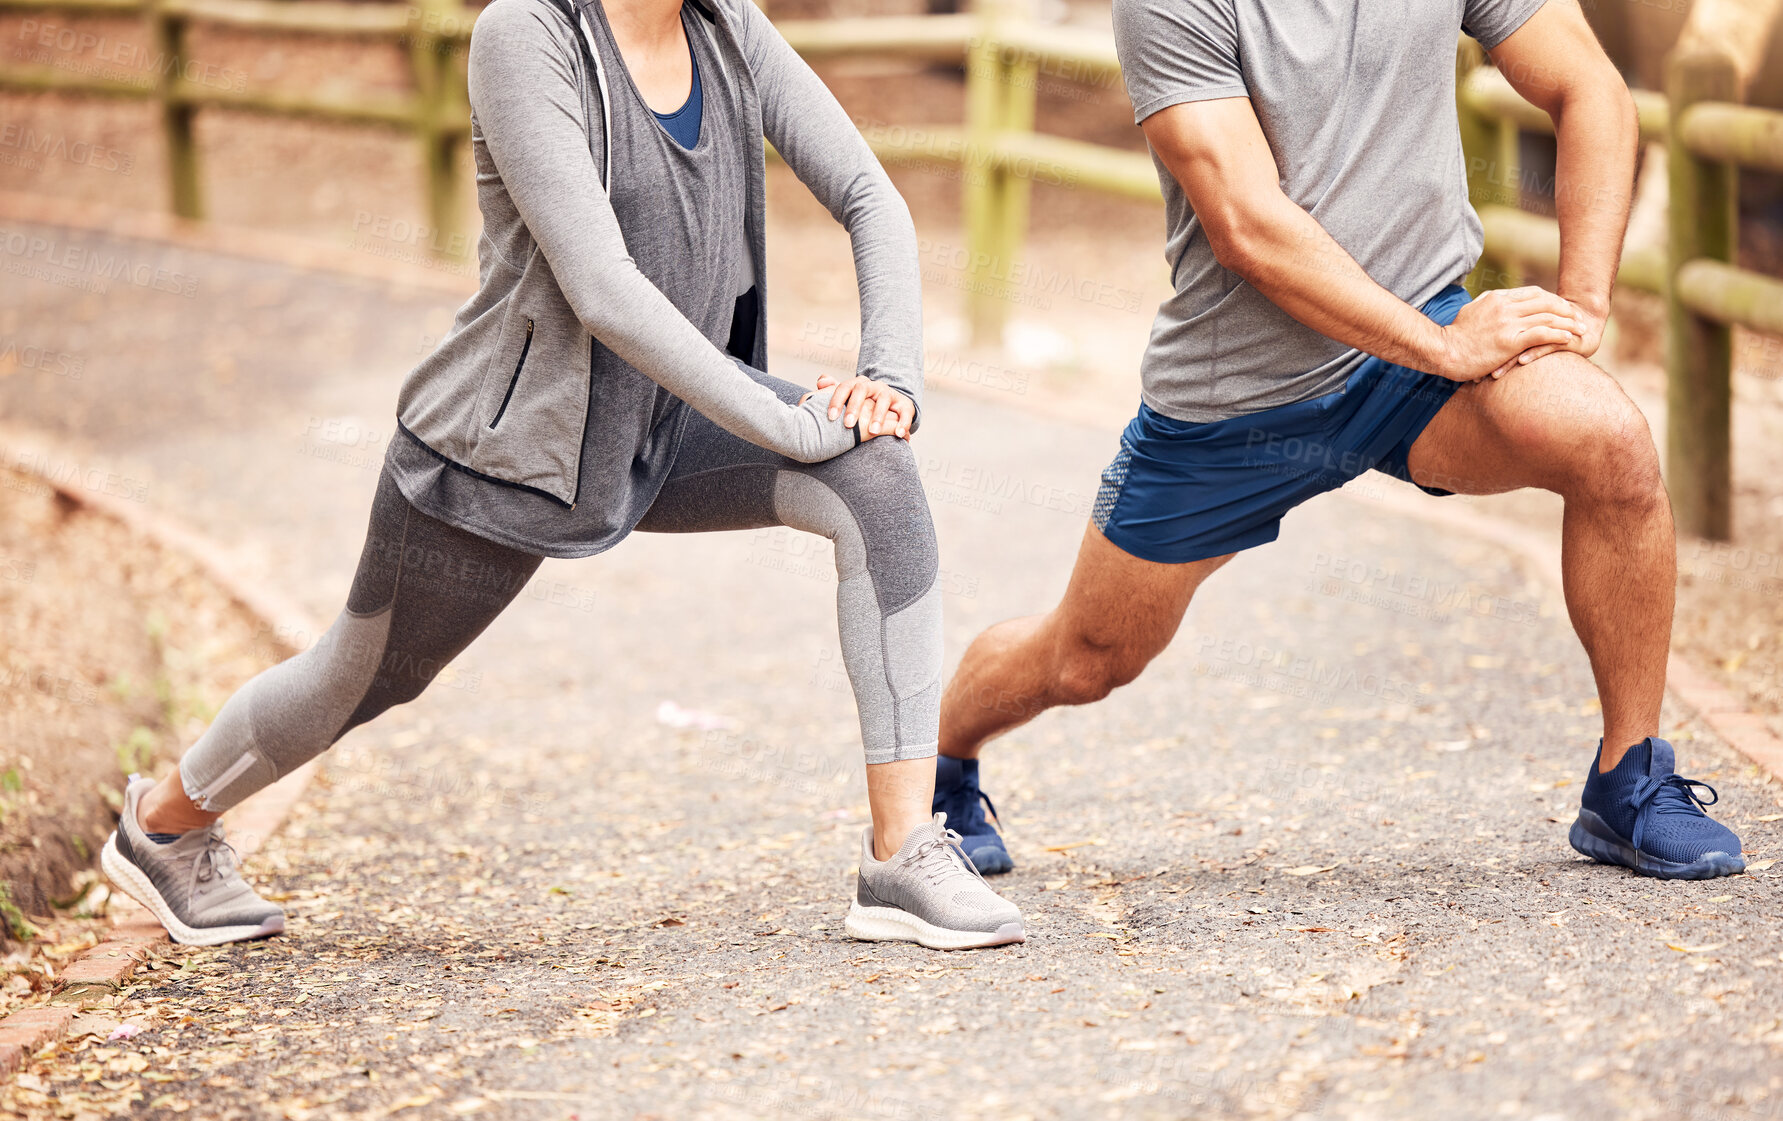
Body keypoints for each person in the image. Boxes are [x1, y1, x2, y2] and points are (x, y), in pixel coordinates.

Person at [101, 0, 1024, 950]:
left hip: (669, 421)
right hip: (508, 450)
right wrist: (785, 421)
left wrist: (888, 383)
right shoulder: (527, 34)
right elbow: (603, 286)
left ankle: (902, 851)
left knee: (874, 477)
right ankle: (164, 824)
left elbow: (871, 197)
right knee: (363, 676)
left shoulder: (726, 26)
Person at [931, 0, 1746, 881]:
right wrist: (1438, 345)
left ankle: (1628, 782)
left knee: (1610, 442)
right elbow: (1245, 222)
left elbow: (1589, 86)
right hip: (1236, 397)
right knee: (1085, 658)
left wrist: (1582, 307)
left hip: (1421, 356)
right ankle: (944, 761)